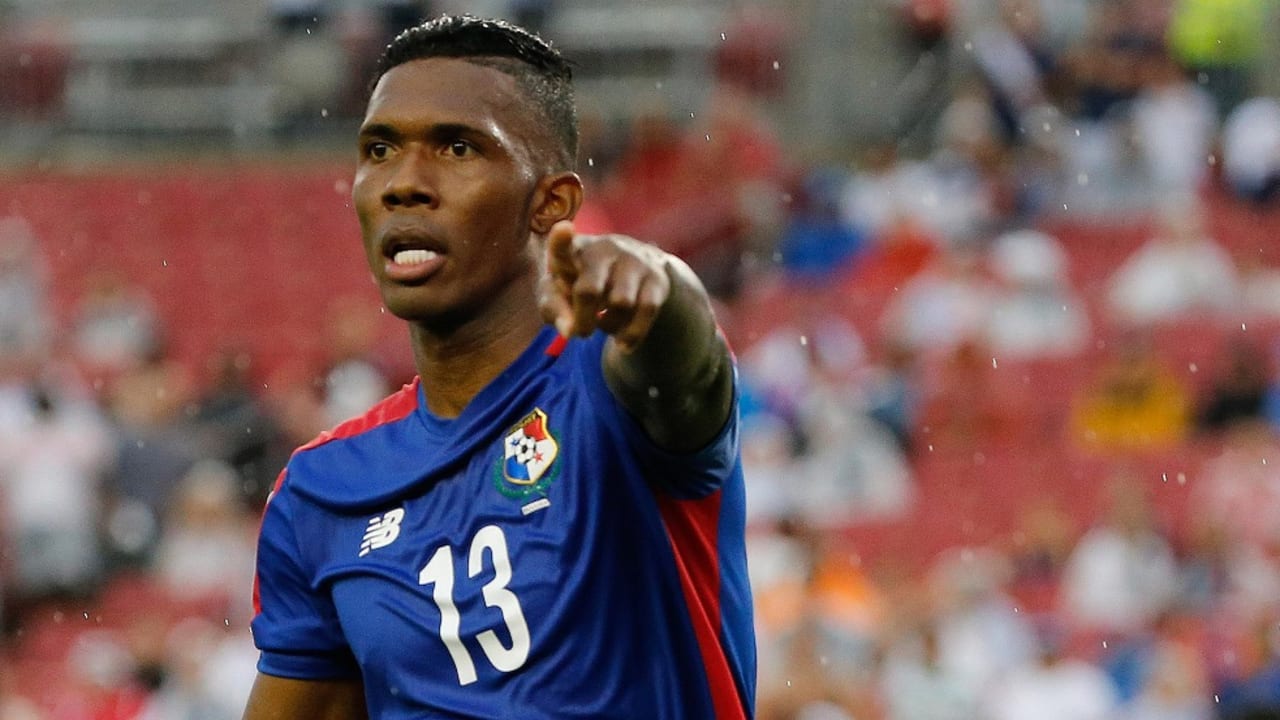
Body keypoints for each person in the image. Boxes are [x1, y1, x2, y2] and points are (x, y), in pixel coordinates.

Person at [242, 15, 755, 720]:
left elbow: (684, 365)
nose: (403, 184)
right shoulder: (323, 491)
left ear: (551, 204)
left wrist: (659, 283)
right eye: (380, 149)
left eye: (457, 147)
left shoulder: (611, 390)